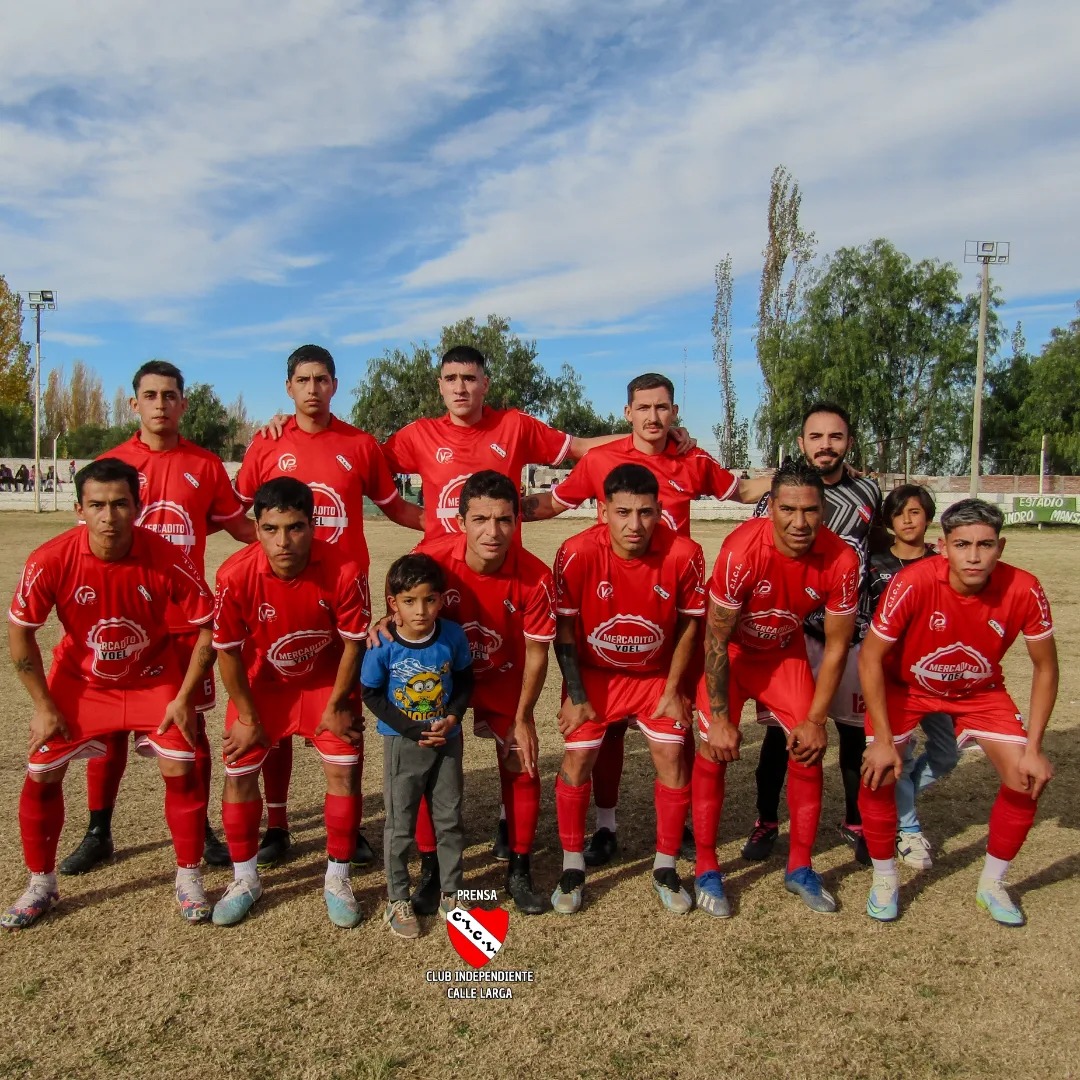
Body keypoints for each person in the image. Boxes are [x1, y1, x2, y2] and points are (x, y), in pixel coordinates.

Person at [522, 371, 770, 867]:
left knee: (676, 731)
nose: (654, 417)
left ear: (674, 413)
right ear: (627, 414)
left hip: (668, 612)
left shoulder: (693, 460)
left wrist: (803, 476)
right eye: (644, 408)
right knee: (606, 731)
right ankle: (607, 827)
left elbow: (741, 492)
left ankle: (675, 829)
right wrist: (494, 512)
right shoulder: (600, 460)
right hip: (610, 608)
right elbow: (553, 502)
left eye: (663, 408)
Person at [58, 359, 255, 876]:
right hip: (122, 617)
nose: (161, 404)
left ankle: (204, 830)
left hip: (186, 621)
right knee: (111, 729)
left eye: (170, 395)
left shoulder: (206, 465)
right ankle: (99, 830)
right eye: (151, 395)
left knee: (191, 723)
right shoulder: (111, 463)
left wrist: (296, 528)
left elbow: (241, 528)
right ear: (134, 404)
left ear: (183, 403)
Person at [4, 458, 216, 928]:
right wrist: (42, 706)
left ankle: (188, 876)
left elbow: (208, 627)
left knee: (180, 765)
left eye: (120, 503)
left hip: (152, 675)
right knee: (41, 772)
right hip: (81, 682)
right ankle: (41, 883)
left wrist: (181, 697)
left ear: (137, 508)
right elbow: (20, 632)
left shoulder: (166, 555)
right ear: (79, 508)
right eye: (97, 505)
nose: (109, 516)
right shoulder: (49, 559)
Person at [235, 344, 422, 870]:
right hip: (282, 597)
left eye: (322, 379)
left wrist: (455, 525)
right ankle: (277, 824)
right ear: (289, 388)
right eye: (303, 380)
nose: (313, 389)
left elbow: (397, 508)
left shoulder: (359, 444)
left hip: (342, 598)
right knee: (277, 702)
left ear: (335, 385)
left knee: (343, 714)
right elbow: (238, 513)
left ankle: (353, 828)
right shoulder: (267, 443)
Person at [858, 499, 1057, 925]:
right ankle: (885, 878)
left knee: (1024, 779)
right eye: (962, 544)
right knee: (878, 772)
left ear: (1000, 546)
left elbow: (1046, 667)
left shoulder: (1025, 588)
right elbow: (871, 658)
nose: (973, 555)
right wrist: (881, 740)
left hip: (979, 691)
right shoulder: (912, 582)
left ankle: (992, 885)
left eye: (984, 545)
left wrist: (1035, 746)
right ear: (943, 545)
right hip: (905, 687)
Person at [694, 459, 860, 916]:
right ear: (770, 507)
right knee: (712, 749)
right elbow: (715, 639)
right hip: (732, 658)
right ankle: (707, 867)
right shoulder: (740, 551)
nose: (800, 521)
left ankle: (800, 867)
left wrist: (815, 720)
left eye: (810, 510)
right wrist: (723, 719)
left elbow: (839, 645)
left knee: (808, 749)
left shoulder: (842, 559)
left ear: (823, 509)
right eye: (789, 509)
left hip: (783, 656)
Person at [210, 477, 371, 928]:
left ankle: (337, 876)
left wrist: (339, 703)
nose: (284, 541)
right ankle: (245, 879)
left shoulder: (346, 569)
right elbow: (226, 651)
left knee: (342, 768)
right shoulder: (232, 574)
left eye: (296, 527)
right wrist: (245, 715)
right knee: (238, 770)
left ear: (313, 525)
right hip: (266, 684)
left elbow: (354, 644)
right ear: (257, 528)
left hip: (326, 681)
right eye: (271, 529)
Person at [550, 463, 705, 915]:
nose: (634, 525)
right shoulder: (575, 552)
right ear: (602, 511)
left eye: (645, 513)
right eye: (622, 512)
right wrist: (578, 696)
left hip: (656, 674)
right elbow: (563, 632)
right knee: (579, 756)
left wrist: (674, 688)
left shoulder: (684, 553)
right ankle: (574, 863)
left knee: (672, 755)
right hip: (597, 675)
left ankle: (665, 865)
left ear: (660, 512)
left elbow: (687, 628)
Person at [408, 470, 554, 916]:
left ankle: (519, 868)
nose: (493, 532)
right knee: (424, 761)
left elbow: (535, 654)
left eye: (505, 520)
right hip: (445, 679)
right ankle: (431, 869)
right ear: (460, 519)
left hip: (504, 675)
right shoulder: (430, 560)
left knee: (521, 759)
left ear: (516, 521)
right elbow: (402, 615)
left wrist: (525, 717)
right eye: (481, 519)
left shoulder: (535, 576)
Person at [744, 403, 884, 865]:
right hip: (796, 635)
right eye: (817, 437)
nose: (827, 445)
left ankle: (856, 821)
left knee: (851, 734)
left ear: (849, 442)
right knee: (781, 736)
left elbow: (878, 547)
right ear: (802, 443)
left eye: (836, 436)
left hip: (852, 632)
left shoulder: (868, 490)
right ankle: (766, 821)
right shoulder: (779, 495)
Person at [362, 553, 473, 939]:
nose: (421, 610)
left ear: (441, 599)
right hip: (402, 744)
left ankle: (452, 894)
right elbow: (371, 693)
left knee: (449, 818)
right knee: (400, 824)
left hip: (447, 742)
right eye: (410, 601)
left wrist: (455, 716)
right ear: (394, 603)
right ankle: (397, 897)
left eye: (429, 599)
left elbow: (463, 679)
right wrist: (410, 730)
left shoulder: (453, 636)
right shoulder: (383, 643)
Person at [866, 484, 958, 869]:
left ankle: (900, 793)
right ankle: (908, 829)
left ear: (928, 517)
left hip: (935, 678)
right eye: (900, 512)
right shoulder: (874, 566)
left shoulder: (947, 564)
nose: (908, 519)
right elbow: (868, 623)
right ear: (889, 519)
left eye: (916, 512)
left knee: (948, 755)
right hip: (893, 679)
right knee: (895, 759)